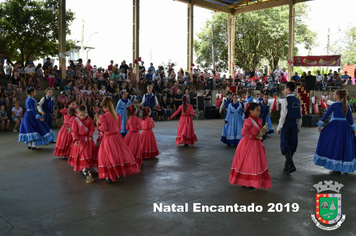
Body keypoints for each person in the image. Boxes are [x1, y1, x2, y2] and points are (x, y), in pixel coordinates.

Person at [97, 97, 140, 183]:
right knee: (118, 155)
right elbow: (119, 127)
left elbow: (104, 128)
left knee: (108, 156)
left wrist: (98, 126)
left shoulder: (103, 117)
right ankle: (119, 171)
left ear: (104, 107)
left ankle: (109, 175)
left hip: (108, 138)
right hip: (117, 137)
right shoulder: (117, 115)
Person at [229, 103, 271, 189]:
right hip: (248, 144)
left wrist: (262, 132)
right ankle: (245, 181)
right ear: (251, 111)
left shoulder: (258, 120)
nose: (259, 112)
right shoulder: (248, 121)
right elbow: (243, 132)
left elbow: (258, 131)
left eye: (259, 110)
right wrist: (253, 136)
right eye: (257, 110)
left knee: (255, 163)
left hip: (256, 144)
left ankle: (252, 181)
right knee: (248, 162)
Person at [314, 89, 356, 173]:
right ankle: (345, 166)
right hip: (345, 127)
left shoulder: (334, 105)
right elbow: (350, 119)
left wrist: (320, 124)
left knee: (335, 145)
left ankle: (336, 166)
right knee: (344, 145)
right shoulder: (347, 105)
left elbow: (326, 115)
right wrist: (353, 129)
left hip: (335, 127)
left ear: (337, 96)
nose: (333, 95)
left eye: (334, 94)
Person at [276, 82, 302, 174]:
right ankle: (287, 166)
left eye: (285, 88)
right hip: (294, 123)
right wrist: (298, 126)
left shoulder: (285, 100)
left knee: (285, 143)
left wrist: (279, 128)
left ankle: (291, 165)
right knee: (292, 144)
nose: (284, 90)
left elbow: (283, 116)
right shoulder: (297, 100)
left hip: (287, 123)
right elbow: (300, 115)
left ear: (287, 89)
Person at [68, 105, 97, 177]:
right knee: (82, 154)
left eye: (84, 115)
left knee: (87, 153)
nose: (82, 116)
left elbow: (92, 129)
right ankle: (83, 168)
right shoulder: (75, 120)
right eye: (81, 115)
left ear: (86, 113)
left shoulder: (89, 120)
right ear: (78, 113)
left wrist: (90, 135)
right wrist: (75, 139)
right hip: (79, 140)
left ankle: (86, 166)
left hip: (87, 139)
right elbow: (74, 131)